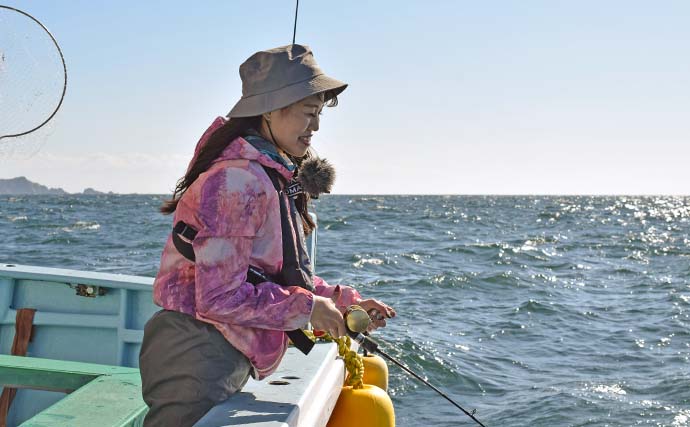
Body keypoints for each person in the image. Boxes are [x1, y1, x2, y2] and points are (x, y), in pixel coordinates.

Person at [139, 44, 396, 426]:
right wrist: (309, 309)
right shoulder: (237, 180)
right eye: (309, 113)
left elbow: (268, 273)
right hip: (195, 352)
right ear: (271, 110)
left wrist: (340, 303)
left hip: (218, 349)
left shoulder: (266, 175)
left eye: (320, 114)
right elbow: (218, 297)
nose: (317, 126)